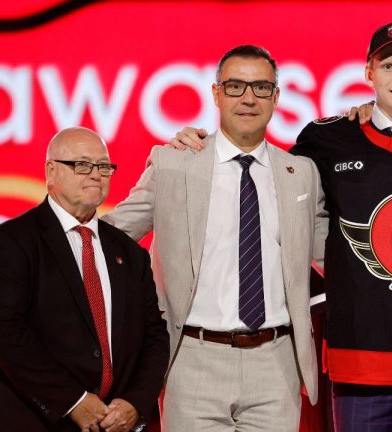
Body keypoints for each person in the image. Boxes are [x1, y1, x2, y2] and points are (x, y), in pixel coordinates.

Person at [171, 21, 392, 431]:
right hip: (359, 358)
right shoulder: (326, 141)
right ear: (368, 73)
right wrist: (195, 147)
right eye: (388, 65)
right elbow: (260, 179)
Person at [103, 45, 327, 431]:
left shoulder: (301, 173)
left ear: (276, 97)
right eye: (236, 85)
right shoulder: (174, 162)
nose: (248, 98)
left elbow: (335, 254)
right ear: (216, 93)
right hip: (191, 360)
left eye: (260, 87)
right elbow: (109, 237)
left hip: (276, 362)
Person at [0, 127, 169, 432]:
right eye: (82, 165)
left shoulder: (129, 252)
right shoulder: (11, 242)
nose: (96, 174)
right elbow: (3, 332)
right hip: (35, 419)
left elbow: (154, 336)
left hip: (115, 423)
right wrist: (73, 401)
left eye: (104, 166)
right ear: (51, 171)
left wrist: (135, 402)